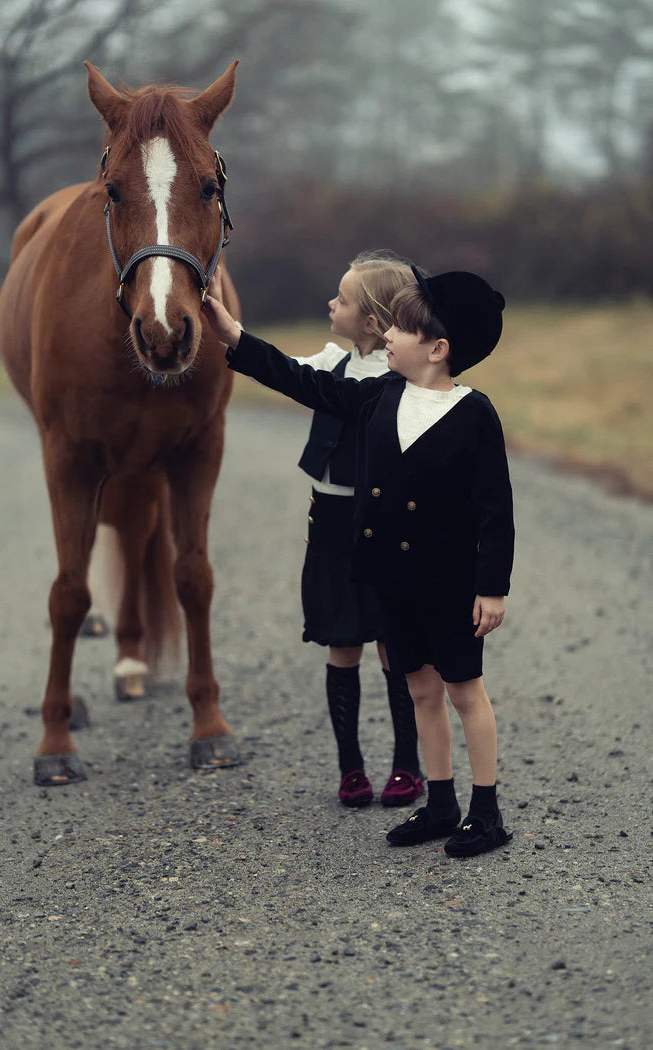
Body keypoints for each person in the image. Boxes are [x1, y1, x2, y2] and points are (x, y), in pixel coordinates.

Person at [204, 264, 515, 858]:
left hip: (449, 586)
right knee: (420, 691)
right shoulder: (379, 395)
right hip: (392, 583)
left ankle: (486, 811)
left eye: (401, 329)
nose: (388, 335)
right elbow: (304, 382)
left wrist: (492, 587)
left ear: (438, 349)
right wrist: (233, 336)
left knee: (463, 692)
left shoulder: (475, 414)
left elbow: (495, 509)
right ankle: (441, 802)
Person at [226, 252, 425, 809]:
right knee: (341, 644)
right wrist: (227, 332)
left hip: (384, 527)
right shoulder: (332, 363)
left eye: (342, 298)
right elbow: (285, 368)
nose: (330, 303)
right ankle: (350, 768)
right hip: (331, 524)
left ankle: (407, 766)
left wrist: (237, 339)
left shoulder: (399, 379)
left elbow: (301, 384)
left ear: (372, 321)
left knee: (393, 647)